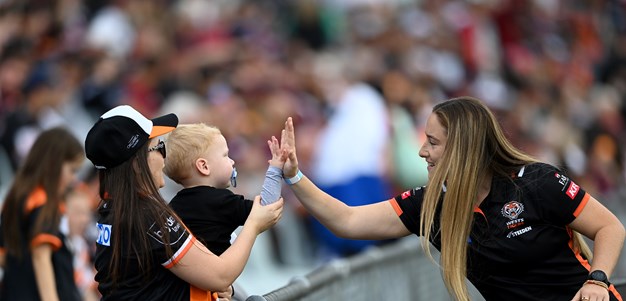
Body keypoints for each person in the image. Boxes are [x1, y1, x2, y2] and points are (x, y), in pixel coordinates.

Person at [278, 96, 625, 301]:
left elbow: (610, 226)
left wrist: (597, 279)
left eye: (432, 142)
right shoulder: (429, 204)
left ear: (462, 148)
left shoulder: (537, 181)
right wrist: (293, 174)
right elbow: (347, 220)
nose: (421, 151)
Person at [84, 105, 283, 301]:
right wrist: (254, 225)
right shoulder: (147, 214)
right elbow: (220, 276)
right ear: (137, 163)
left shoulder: (111, 210)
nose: (164, 156)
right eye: (159, 147)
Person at [163, 123, 287, 300]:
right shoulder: (221, 201)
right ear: (204, 166)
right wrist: (275, 169)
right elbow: (268, 208)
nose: (232, 161)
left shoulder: (173, 205)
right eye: (225, 155)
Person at [0, 127, 85, 301]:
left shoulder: (17, 197)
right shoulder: (42, 201)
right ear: (54, 164)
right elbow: (41, 257)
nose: (73, 179)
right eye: (72, 170)